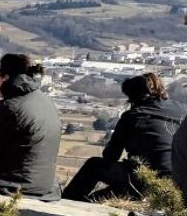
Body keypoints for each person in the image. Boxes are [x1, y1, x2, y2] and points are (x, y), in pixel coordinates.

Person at [64, 73, 184, 202]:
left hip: (143, 179)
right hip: (178, 181)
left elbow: (111, 155)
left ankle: (67, 202)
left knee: (93, 165)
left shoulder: (133, 116)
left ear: (132, 96)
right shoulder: (182, 110)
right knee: (104, 195)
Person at [0, 54, 62, 201]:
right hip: (46, 186)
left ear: (5, 77)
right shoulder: (43, 100)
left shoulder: (9, 106)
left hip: (13, 185)